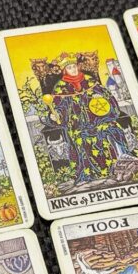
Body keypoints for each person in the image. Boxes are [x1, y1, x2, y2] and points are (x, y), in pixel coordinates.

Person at [48, 53, 129, 184]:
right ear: (64, 70)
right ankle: (90, 174)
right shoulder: (60, 87)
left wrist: (101, 98)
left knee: (113, 129)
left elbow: (107, 96)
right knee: (81, 139)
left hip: (98, 121)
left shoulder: (90, 80)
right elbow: (58, 107)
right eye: (69, 68)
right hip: (77, 126)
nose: (73, 70)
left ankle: (121, 165)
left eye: (74, 66)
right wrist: (55, 115)